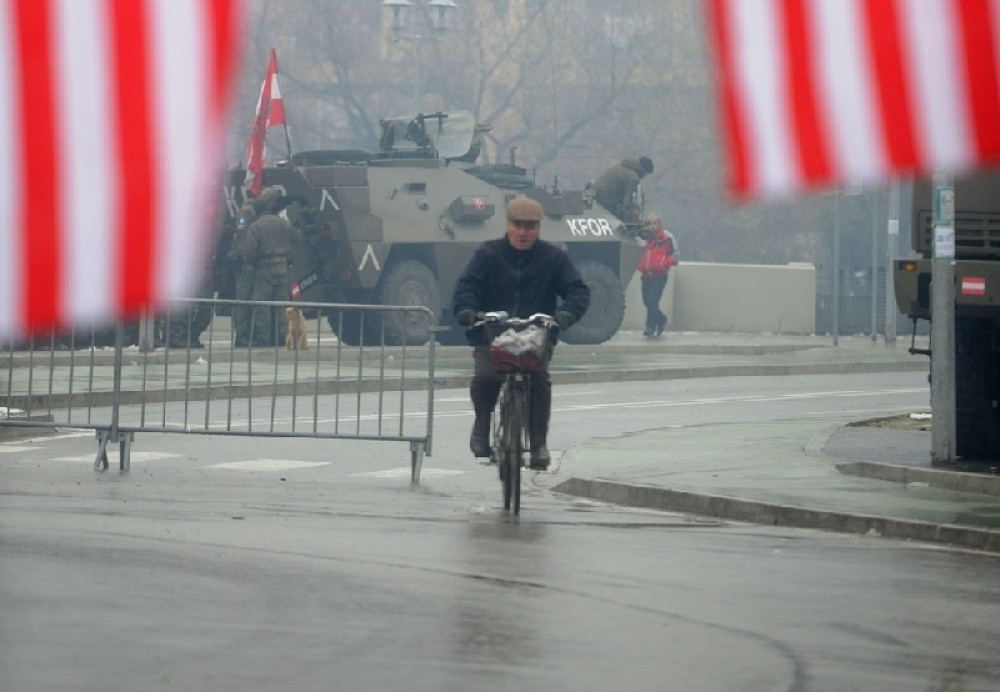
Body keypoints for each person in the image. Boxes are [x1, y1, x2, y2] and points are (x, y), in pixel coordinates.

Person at [452, 197, 591, 470]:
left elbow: (578, 290)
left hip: (535, 336)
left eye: (530, 227)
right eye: (518, 225)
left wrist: (566, 315)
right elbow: (467, 286)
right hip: (493, 333)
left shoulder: (554, 258)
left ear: (539, 229)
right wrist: (467, 310)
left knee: (538, 379)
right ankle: (482, 423)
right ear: (508, 225)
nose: (523, 232)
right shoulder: (487, 254)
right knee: (487, 376)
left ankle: (538, 443)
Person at [238, 187, 302, 347]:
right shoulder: (283, 223)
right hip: (282, 267)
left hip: (264, 269)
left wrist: (250, 263)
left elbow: (249, 250)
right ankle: (283, 338)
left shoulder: (256, 226)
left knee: (262, 305)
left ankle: (264, 340)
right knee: (282, 306)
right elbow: (298, 237)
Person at [636, 213, 679, 337]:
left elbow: (675, 255)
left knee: (652, 301)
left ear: (659, 224)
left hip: (660, 275)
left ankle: (650, 326)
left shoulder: (667, 237)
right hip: (646, 274)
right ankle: (661, 319)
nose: (653, 226)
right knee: (646, 301)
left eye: (655, 223)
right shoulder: (643, 237)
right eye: (650, 223)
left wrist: (664, 263)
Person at [592, 156, 654, 224]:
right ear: (643, 171)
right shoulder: (633, 178)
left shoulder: (619, 167)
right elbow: (630, 205)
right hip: (606, 203)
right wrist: (634, 224)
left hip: (595, 199)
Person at [230, 203, 258, 347]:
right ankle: (242, 336)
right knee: (243, 301)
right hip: (244, 267)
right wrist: (249, 261)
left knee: (245, 302)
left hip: (244, 266)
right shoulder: (246, 212)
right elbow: (243, 241)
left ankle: (245, 334)